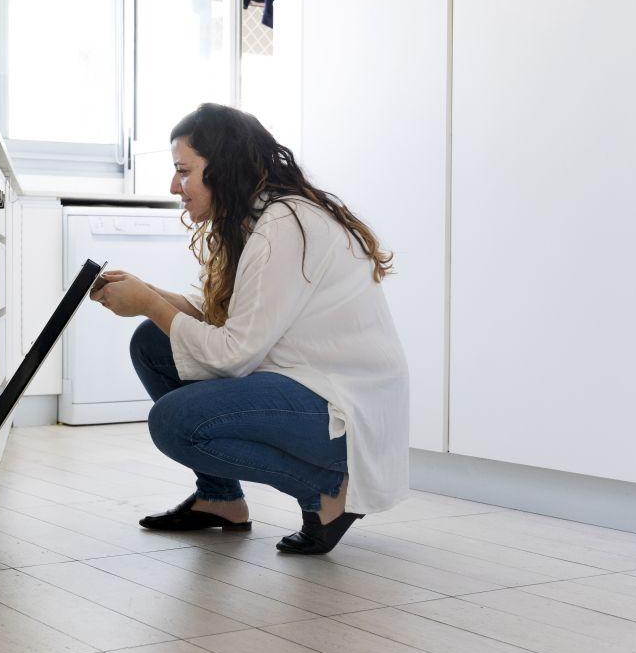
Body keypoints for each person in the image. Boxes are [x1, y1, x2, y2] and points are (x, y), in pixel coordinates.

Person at [89, 103, 409, 555]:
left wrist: (148, 303)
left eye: (184, 171)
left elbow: (232, 352)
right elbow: (234, 321)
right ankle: (220, 499)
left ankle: (327, 492)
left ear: (223, 168)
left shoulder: (284, 225)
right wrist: (149, 296)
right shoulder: (260, 219)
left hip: (340, 410)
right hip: (305, 384)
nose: (174, 186)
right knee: (152, 341)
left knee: (174, 422)